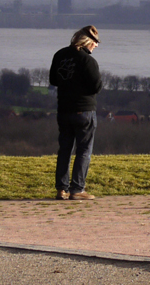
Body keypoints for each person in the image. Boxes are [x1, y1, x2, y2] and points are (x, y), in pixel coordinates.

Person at [50, 25, 102, 200]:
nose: (96, 46)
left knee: (64, 149)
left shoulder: (60, 55)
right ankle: (77, 189)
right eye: (95, 42)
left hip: (64, 110)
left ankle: (61, 189)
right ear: (88, 41)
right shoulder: (88, 61)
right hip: (84, 110)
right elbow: (97, 86)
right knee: (84, 150)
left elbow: (53, 80)